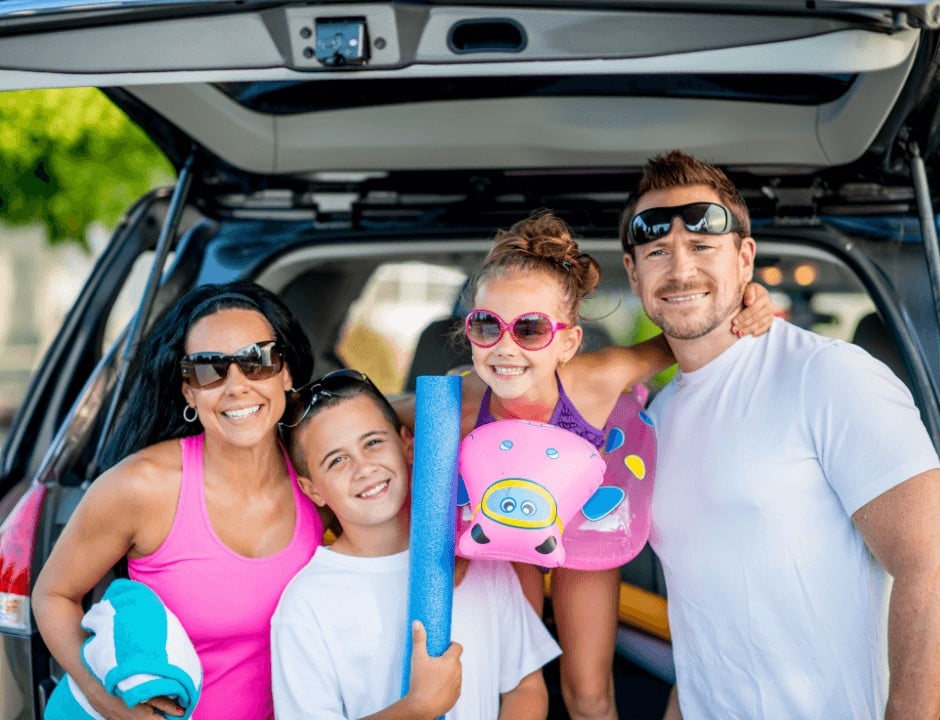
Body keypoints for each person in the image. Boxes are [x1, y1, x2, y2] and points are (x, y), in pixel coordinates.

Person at [395, 211, 775, 720]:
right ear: (469, 333)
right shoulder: (459, 399)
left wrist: (746, 302)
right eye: (487, 326)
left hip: (582, 526)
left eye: (529, 329)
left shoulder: (597, 378)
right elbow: (366, 412)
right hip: (502, 520)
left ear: (569, 342)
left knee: (588, 689)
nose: (505, 347)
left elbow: (687, 336)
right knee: (517, 678)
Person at [620, 149, 940, 720]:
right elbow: (707, 633)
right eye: (658, 252)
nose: (679, 269)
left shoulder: (827, 375)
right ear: (633, 272)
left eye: (701, 247)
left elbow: (930, 561)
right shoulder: (654, 424)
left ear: (744, 259)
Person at [32, 280, 324, 720]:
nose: (236, 385)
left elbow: (395, 419)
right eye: (208, 369)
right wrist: (114, 706)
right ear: (188, 391)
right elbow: (52, 595)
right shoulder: (143, 486)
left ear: (286, 372)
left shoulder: (320, 473)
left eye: (257, 360)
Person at [272, 369, 561, 720]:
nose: (364, 468)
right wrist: (417, 708)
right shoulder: (307, 605)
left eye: (373, 442)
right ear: (312, 489)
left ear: (407, 443)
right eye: (337, 460)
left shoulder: (475, 556)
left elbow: (525, 687)